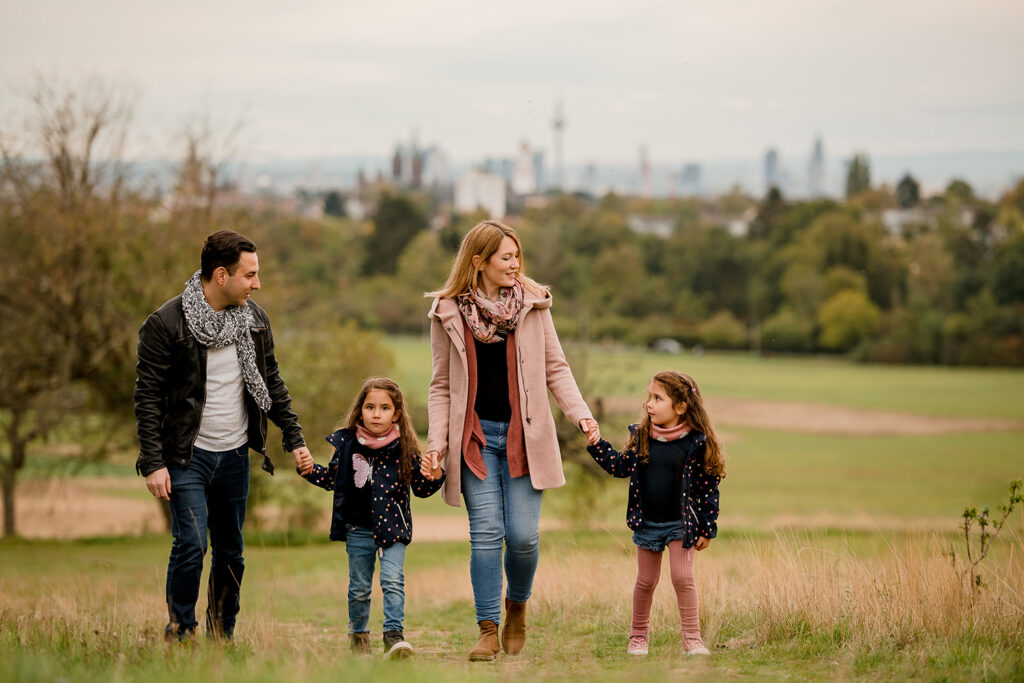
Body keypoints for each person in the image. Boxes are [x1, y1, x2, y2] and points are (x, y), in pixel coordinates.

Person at [421, 220, 600, 661]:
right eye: (506, 257)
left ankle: (516, 604)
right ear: (479, 262)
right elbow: (441, 385)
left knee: (522, 538)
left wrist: (581, 415)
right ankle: (487, 629)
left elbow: (555, 367)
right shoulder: (447, 312)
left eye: (517, 256)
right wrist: (436, 444)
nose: (515, 264)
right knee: (486, 533)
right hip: (475, 440)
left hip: (525, 437)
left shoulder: (534, 306)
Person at [134, 229, 313, 641]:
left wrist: (294, 437)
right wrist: (154, 461)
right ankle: (181, 631)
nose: (257, 284)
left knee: (231, 552)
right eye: (249, 275)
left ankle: (221, 636)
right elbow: (147, 397)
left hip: (234, 456)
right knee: (192, 544)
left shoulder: (254, 320)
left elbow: (271, 384)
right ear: (220, 275)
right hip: (186, 457)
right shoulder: (166, 324)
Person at [297, 377, 444, 659]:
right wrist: (308, 469)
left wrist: (435, 475)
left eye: (385, 408)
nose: (377, 414)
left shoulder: (405, 448)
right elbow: (332, 479)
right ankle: (359, 638)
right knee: (360, 588)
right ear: (360, 410)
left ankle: (393, 637)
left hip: (394, 529)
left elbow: (422, 489)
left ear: (396, 413)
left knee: (392, 580)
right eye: (370, 407)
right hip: (358, 527)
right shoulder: (348, 444)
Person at [586, 370, 725, 657]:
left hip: (681, 525)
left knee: (682, 578)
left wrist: (707, 528)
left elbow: (708, 487)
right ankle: (638, 637)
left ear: (680, 408)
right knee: (646, 582)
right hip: (647, 523)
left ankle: (692, 640)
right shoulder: (641, 438)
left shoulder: (695, 443)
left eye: (658, 398)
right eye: (650, 396)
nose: (649, 403)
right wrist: (597, 444)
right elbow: (619, 467)